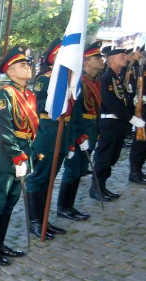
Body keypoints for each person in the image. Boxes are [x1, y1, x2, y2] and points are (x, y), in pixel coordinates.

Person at [0, 46, 37, 266]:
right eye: (22, 64)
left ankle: (0, 243)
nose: (28, 67)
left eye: (28, 64)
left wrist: (27, 153)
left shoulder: (30, 95)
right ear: (10, 71)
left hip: (25, 149)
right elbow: (5, 130)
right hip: (8, 154)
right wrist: (18, 156)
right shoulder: (5, 94)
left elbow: (32, 127)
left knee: (12, 198)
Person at [25, 39, 68, 236]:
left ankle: (44, 220)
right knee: (38, 177)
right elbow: (39, 104)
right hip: (46, 134)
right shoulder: (45, 79)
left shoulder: (68, 80)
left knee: (50, 178)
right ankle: (35, 221)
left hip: (61, 134)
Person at [59, 41, 104, 219]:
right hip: (79, 132)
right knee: (73, 168)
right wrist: (79, 136)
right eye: (97, 57)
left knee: (80, 168)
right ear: (86, 61)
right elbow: (74, 113)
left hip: (91, 131)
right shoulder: (79, 82)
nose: (101, 60)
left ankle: (69, 206)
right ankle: (64, 207)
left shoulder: (95, 81)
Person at [92, 47, 144, 200]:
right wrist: (130, 118)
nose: (124, 57)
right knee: (104, 157)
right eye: (121, 55)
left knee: (111, 158)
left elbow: (124, 99)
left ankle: (102, 187)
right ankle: (96, 189)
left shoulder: (117, 78)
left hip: (118, 124)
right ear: (111, 59)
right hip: (110, 123)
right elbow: (110, 103)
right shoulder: (106, 77)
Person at [126, 46, 146, 184]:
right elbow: (131, 86)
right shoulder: (138, 69)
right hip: (141, 108)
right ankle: (134, 172)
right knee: (140, 142)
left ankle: (138, 170)